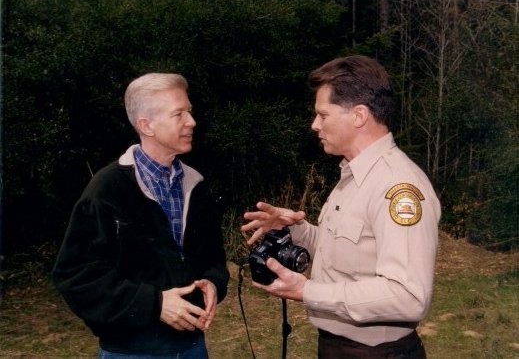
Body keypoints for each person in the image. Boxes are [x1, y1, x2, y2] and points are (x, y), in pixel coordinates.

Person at [241, 55, 441, 358]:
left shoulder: (398, 187)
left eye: (323, 115)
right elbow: (350, 251)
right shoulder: (354, 175)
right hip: (339, 347)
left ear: (359, 115)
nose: (314, 125)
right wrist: (297, 230)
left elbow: (408, 295)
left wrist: (308, 291)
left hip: (378, 353)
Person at [53, 73, 229, 358]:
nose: (191, 122)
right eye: (179, 114)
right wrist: (154, 304)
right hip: (130, 350)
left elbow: (212, 258)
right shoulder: (107, 190)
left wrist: (213, 283)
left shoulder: (196, 184)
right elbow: (75, 275)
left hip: (192, 347)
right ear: (146, 125)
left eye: (190, 112)